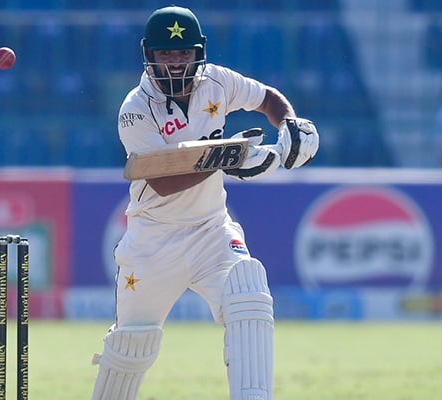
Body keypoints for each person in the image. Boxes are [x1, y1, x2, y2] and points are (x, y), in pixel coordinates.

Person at [91, 5, 319, 400]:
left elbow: (267, 98)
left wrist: (291, 125)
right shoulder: (135, 110)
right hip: (152, 240)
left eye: (183, 53)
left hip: (212, 230)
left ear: (198, 52)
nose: (176, 63)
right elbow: (162, 181)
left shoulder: (218, 82)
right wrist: (230, 159)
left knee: (248, 291)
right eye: (166, 54)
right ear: (149, 55)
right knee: (132, 345)